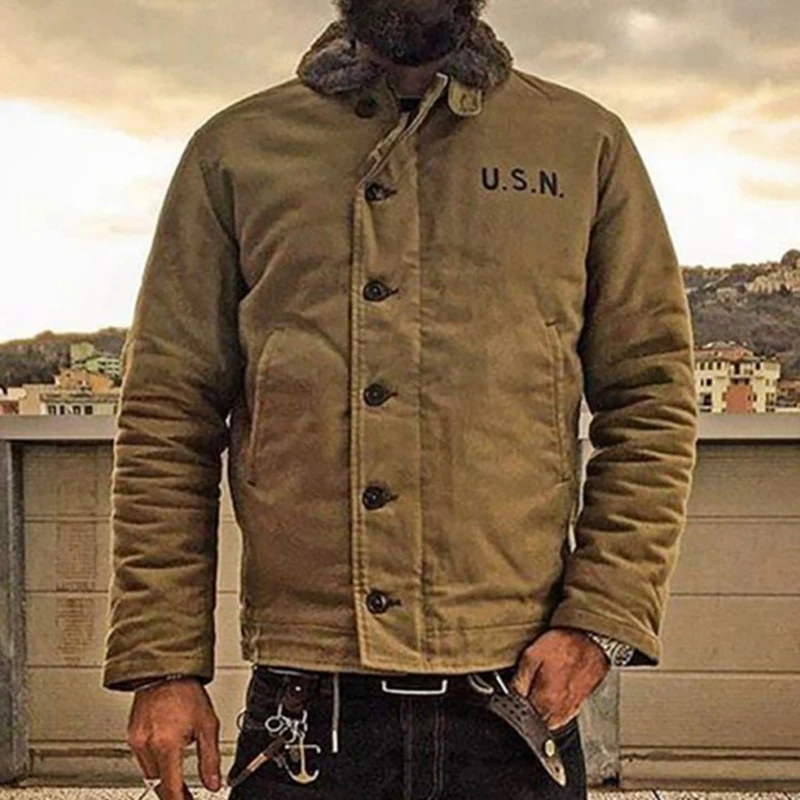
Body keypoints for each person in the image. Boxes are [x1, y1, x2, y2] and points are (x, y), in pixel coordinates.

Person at [102, 0, 699, 798]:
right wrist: (163, 663)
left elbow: (652, 397)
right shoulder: (235, 152)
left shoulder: (584, 144)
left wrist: (599, 620)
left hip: (514, 705)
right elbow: (167, 414)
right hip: (306, 707)